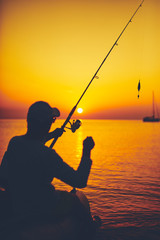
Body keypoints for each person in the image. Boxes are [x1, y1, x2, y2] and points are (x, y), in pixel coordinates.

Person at [0, 101, 95, 238]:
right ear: (46, 124)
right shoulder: (47, 155)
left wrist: (51, 135)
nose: (52, 123)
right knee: (74, 199)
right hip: (42, 206)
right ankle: (90, 230)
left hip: (17, 203)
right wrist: (86, 151)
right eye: (51, 120)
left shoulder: (14, 143)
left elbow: (31, 145)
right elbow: (79, 181)